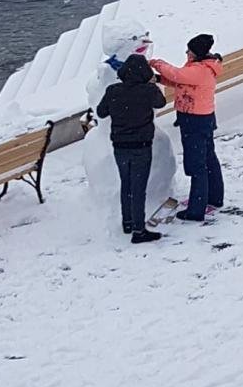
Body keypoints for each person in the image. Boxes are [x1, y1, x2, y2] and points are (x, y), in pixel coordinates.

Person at [150, 34, 224, 223]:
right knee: (208, 159)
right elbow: (180, 82)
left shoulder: (200, 70)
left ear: (196, 53)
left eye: (189, 50)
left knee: (196, 164)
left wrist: (155, 63)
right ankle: (214, 197)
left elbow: (176, 74)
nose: (186, 53)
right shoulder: (202, 68)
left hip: (194, 121)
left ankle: (196, 210)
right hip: (203, 119)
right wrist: (158, 79)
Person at [96, 53, 167, 244]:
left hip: (119, 145)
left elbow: (101, 113)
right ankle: (138, 229)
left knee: (126, 184)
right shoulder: (148, 90)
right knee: (138, 187)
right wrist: (151, 83)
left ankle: (127, 221)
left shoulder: (113, 91)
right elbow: (161, 102)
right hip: (141, 145)